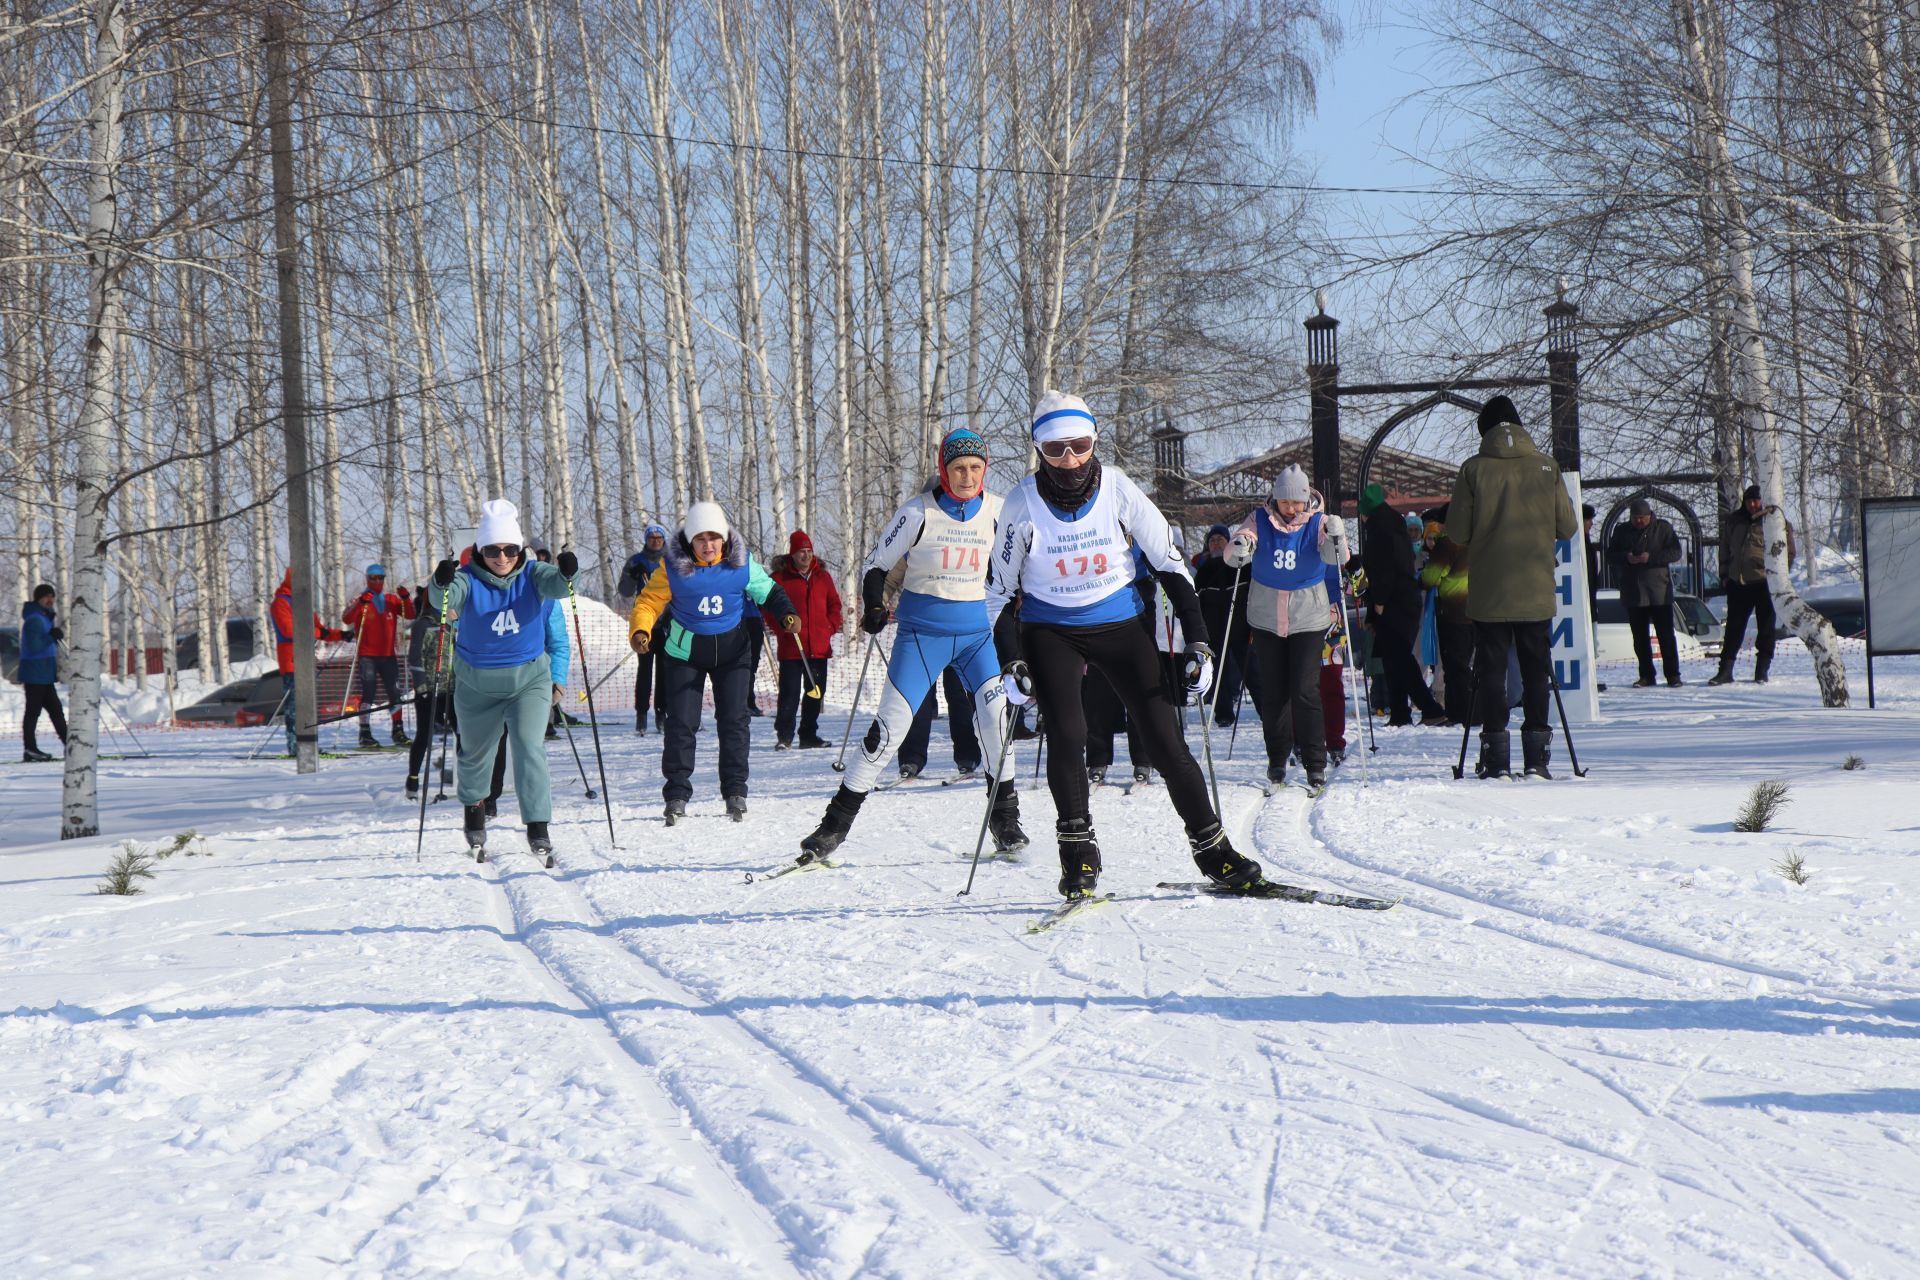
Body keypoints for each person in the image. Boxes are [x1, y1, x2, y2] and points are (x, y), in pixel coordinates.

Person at [984, 390, 1260, 900]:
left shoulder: (1118, 490)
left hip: (1120, 623)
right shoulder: (1022, 502)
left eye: (1080, 445)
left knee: (1163, 737)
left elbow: (1171, 564)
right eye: (1055, 449)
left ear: (1094, 442)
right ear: (1039, 451)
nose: (1070, 459)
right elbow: (997, 591)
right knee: (1069, 733)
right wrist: (1012, 659)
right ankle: (1078, 857)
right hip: (1052, 630)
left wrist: (1199, 642)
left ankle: (1214, 849)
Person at [798, 427, 1026, 861]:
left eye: (975, 468)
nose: (967, 476)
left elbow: (1020, 571)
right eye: (958, 468)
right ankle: (832, 828)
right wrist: (874, 606)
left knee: (998, 723)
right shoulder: (918, 512)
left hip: (978, 639)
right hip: (922, 638)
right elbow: (876, 566)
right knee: (887, 733)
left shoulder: (999, 511)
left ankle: (1005, 821)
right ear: (943, 469)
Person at [628, 501, 798, 824]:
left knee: (734, 720)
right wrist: (640, 629)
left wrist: (786, 612)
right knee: (681, 723)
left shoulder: (740, 564)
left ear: (724, 539)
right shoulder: (672, 568)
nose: (708, 546)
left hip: (732, 653)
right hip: (685, 653)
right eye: (701, 540)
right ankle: (676, 793)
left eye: (714, 538)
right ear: (690, 541)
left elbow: (769, 592)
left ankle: (735, 790)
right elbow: (648, 603)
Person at [430, 499, 580, 859]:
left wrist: (567, 573)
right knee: (476, 754)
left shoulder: (533, 574)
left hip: (529, 680)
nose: (502, 557)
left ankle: (538, 826)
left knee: (529, 747)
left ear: (520, 548)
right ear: (481, 550)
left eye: (510, 549)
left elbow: (559, 588)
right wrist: (440, 581)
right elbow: (443, 600)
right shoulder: (467, 579)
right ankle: (475, 813)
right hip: (476, 683)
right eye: (494, 550)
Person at [1445, 395, 1578, 779]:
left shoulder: (1473, 470)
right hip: (1535, 588)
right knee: (1537, 671)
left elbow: (1456, 531)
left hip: (1488, 591)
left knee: (1491, 671)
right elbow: (1568, 527)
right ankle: (1537, 757)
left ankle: (1496, 756)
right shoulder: (1546, 467)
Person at [1224, 464, 1350, 789]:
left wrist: (1337, 536)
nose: (1290, 509)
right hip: (1266, 617)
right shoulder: (1260, 518)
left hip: (1308, 617)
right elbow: (1237, 547)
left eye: (1296, 502)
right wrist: (1239, 546)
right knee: (1274, 692)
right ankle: (1277, 759)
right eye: (1284, 502)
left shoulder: (1318, 522)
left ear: (1306, 499)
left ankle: (1315, 762)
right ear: (1275, 500)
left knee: (1305, 689)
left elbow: (1337, 557)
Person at [1357, 483, 1449, 725]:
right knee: (1393, 657)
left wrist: (1378, 602)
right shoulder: (1393, 527)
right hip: (1403, 601)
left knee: (1399, 657)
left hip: (1392, 603)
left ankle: (1430, 709)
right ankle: (1400, 712)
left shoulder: (1380, 532)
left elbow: (1383, 570)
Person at [488, 593, 571, 815]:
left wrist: (558, 678)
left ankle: (536, 816)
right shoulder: (490, 594)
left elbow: (559, 643)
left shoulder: (548, 600)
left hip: (533, 680)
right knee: (492, 741)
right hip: (491, 677)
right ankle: (488, 801)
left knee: (529, 745)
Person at [1711, 483, 1793, 685]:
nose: (1753, 505)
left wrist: (1778, 575)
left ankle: (1762, 670)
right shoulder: (1734, 521)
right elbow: (1724, 549)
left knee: (1766, 628)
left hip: (1765, 583)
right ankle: (1725, 670)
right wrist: (1724, 575)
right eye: (1749, 501)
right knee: (1733, 629)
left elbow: (1789, 552)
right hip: (1738, 583)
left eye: (1756, 500)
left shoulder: (1776, 522)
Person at [768, 529, 842, 749]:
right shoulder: (780, 579)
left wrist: (830, 627)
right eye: (801, 552)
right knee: (789, 694)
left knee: (815, 693)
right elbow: (768, 609)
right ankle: (785, 736)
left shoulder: (823, 577)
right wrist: (782, 628)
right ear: (792, 554)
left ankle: (808, 735)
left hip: (818, 648)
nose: (806, 556)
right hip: (792, 648)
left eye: (809, 551)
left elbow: (834, 604)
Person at [1607, 497, 1683, 687]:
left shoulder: (1663, 528)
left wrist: (1651, 557)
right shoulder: (1622, 530)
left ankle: (1673, 675)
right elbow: (1610, 555)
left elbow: (1675, 552)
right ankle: (1646, 675)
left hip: (1659, 591)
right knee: (1640, 639)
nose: (1639, 521)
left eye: (1642, 517)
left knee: (1666, 636)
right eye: (1635, 518)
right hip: (1633, 592)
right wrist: (1627, 558)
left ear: (1650, 516)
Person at [269, 569, 346, 757]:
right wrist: (320, 634)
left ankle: (309, 744)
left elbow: (319, 629)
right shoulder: (280, 603)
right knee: (295, 707)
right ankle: (296, 746)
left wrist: (340, 635)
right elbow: (290, 631)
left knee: (309, 706)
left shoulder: (302, 603)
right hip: (292, 661)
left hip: (305, 661)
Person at [343, 564, 416, 747]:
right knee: (368, 693)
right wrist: (361, 603)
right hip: (367, 656)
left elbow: (410, 614)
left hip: (388, 655)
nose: (377, 582)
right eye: (373, 578)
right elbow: (346, 618)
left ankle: (397, 730)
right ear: (367, 579)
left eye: (380, 578)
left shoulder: (391, 599)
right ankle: (364, 732)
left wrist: (406, 598)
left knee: (395, 692)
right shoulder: (360, 599)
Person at [1194, 522, 1257, 727]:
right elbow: (1198, 600)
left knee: (1251, 671)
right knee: (1219, 672)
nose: (1216, 543)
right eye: (1212, 541)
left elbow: (1253, 594)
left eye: (1220, 539)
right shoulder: (1203, 571)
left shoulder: (1241, 564)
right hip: (1214, 628)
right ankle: (1223, 713)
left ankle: (1266, 709)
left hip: (1241, 626)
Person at [1418, 505, 1474, 724]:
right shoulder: (1475, 539)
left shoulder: (1448, 543)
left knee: (1455, 667)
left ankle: (1460, 713)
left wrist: (1422, 578)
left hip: (1453, 611)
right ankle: (1475, 710)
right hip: (1476, 609)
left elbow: (1430, 578)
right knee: (1469, 664)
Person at [619, 522, 671, 734]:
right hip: (645, 625)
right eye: (652, 539)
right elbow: (624, 590)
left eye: (659, 539)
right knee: (645, 671)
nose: (655, 542)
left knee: (665, 671)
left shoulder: (672, 561)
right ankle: (642, 713)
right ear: (646, 540)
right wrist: (632, 575)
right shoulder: (636, 561)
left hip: (668, 622)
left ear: (664, 540)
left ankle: (662, 712)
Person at [404, 585, 454, 798]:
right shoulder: (422, 625)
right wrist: (422, 687)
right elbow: (414, 657)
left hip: (451, 690)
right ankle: (413, 781)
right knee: (424, 736)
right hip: (429, 692)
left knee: (465, 733)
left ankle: (468, 779)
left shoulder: (453, 624)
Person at [898, 667, 983, 780]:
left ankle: (967, 757)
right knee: (920, 691)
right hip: (926, 650)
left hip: (958, 651)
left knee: (958, 691)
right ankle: (911, 759)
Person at [19, 584, 66, 762]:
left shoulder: (45, 618)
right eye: (46, 596)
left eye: (52, 596)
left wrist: (52, 634)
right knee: (33, 712)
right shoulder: (34, 619)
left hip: (44, 674)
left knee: (56, 711)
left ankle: (71, 746)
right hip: (35, 673)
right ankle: (30, 748)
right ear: (38, 599)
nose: (50, 600)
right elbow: (35, 646)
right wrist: (51, 636)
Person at [1319, 564, 1349, 766]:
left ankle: (1335, 742)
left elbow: (1356, 586)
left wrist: (1353, 574)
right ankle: (1301, 740)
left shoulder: (1332, 542)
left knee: (1331, 686)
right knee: (1300, 686)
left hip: (1331, 626)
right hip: (1296, 620)